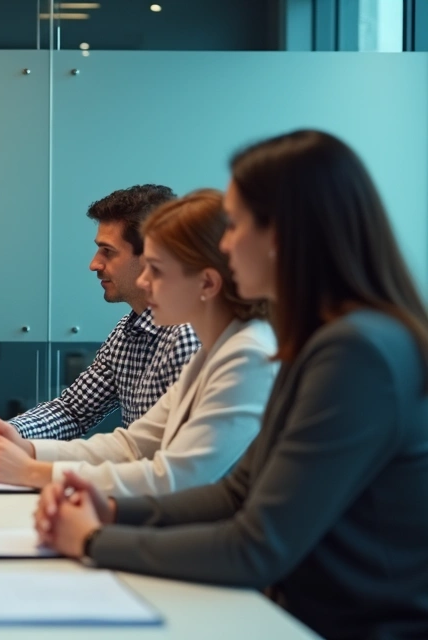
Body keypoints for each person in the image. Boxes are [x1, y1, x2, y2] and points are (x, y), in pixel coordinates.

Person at [35, 131, 428, 639]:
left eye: (237, 224)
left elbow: (257, 547)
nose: (223, 243)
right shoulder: (317, 339)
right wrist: (108, 508)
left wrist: (92, 540)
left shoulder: (356, 352)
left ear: (283, 234)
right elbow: (236, 495)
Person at [0, 190, 275, 496]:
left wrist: (33, 471)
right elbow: (129, 443)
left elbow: (176, 477)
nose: (143, 281)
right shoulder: (209, 351)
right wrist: (26, 447)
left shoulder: (236, 353)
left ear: (207, 282)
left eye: (156, 268)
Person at [0, 185, 200, 445]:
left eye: (107, 251)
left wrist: (36, 466)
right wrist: (8, 431)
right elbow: (73, 411)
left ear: (151, 257)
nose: (94, 264)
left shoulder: (186, 337)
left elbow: (170, 458)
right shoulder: (127, 331)